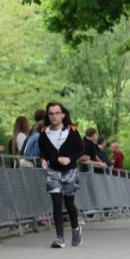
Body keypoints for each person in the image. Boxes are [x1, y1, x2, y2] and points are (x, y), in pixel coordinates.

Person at [37, 102, 85, 249]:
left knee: (69, 203)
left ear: (63, 114)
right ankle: (60, 237)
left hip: (70, 171)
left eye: (57, 113)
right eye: (51, 114)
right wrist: (44, 160)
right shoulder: (44, 133)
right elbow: (43, 151)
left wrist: (70, 159)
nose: (54, 116)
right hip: (53, 171)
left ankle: (76, 229)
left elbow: (80, 150)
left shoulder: (73, 130)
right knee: (57, 203)